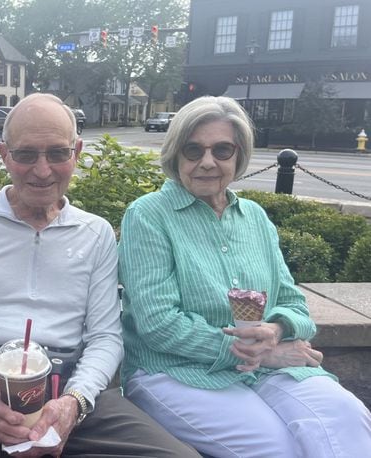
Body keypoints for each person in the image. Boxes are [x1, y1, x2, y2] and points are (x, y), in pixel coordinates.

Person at [0, 93, 198, 458]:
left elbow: (106, 337)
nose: (42, 170)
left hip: (65, 383)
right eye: (26, 154)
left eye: (57, 154)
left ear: (76, 152)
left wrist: (74, 403)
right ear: (4, 154)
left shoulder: (96, 233)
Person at [118, 95, 371, 457]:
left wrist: (277, 330)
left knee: (347, 418)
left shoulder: (254, 217)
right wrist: (263, 354)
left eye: (222, 150)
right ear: (175, 154)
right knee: (275, 447)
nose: (207, 162)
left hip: (265, 368)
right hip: (176, 371)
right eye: (193, 150)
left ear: (238, 155)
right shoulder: (148, 216)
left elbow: (292, 302)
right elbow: (158, 324)